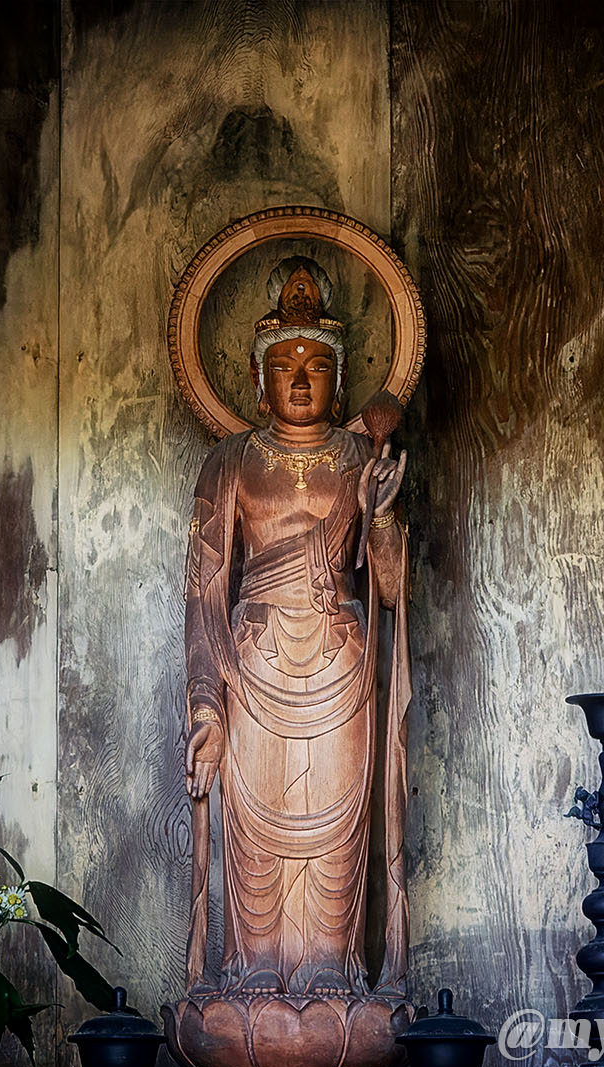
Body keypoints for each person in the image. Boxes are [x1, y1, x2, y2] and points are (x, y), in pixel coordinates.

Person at [181, 255, 411, 1001]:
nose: (302, 381)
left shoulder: (360, 458)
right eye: (285, 365)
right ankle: (254, 974)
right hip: (252, 663)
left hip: (341, 659)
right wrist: (206, 706)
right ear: (259, 380)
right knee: (258, 838)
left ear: (340, 382)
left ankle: (331, 975)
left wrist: (382, 518)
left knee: (335, 832)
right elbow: (203, 595)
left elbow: (389, 588)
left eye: (317, 366)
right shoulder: (229, 461)